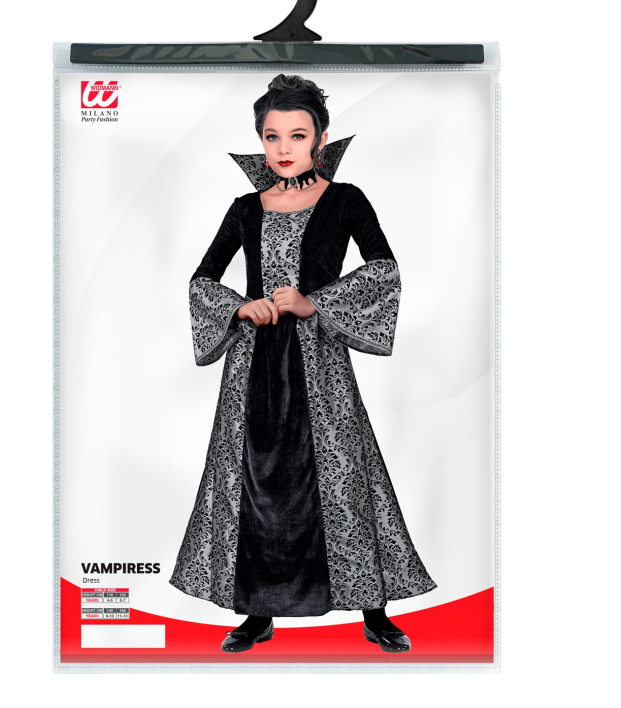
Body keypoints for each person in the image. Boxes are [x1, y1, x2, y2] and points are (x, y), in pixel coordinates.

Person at [170, 74, 437, 654]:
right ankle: (256, 612)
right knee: (255, 479)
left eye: (297, 135)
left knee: (343, 474)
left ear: (321, 138)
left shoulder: (345, 200)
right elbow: (202, 280)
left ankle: (373, 609)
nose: (284, 148)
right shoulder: (245, 209)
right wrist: (241, 307)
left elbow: (384, 269)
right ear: (260, 141)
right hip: (252, 367)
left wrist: (315, 302)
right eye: (272, 136)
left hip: (319, 361)